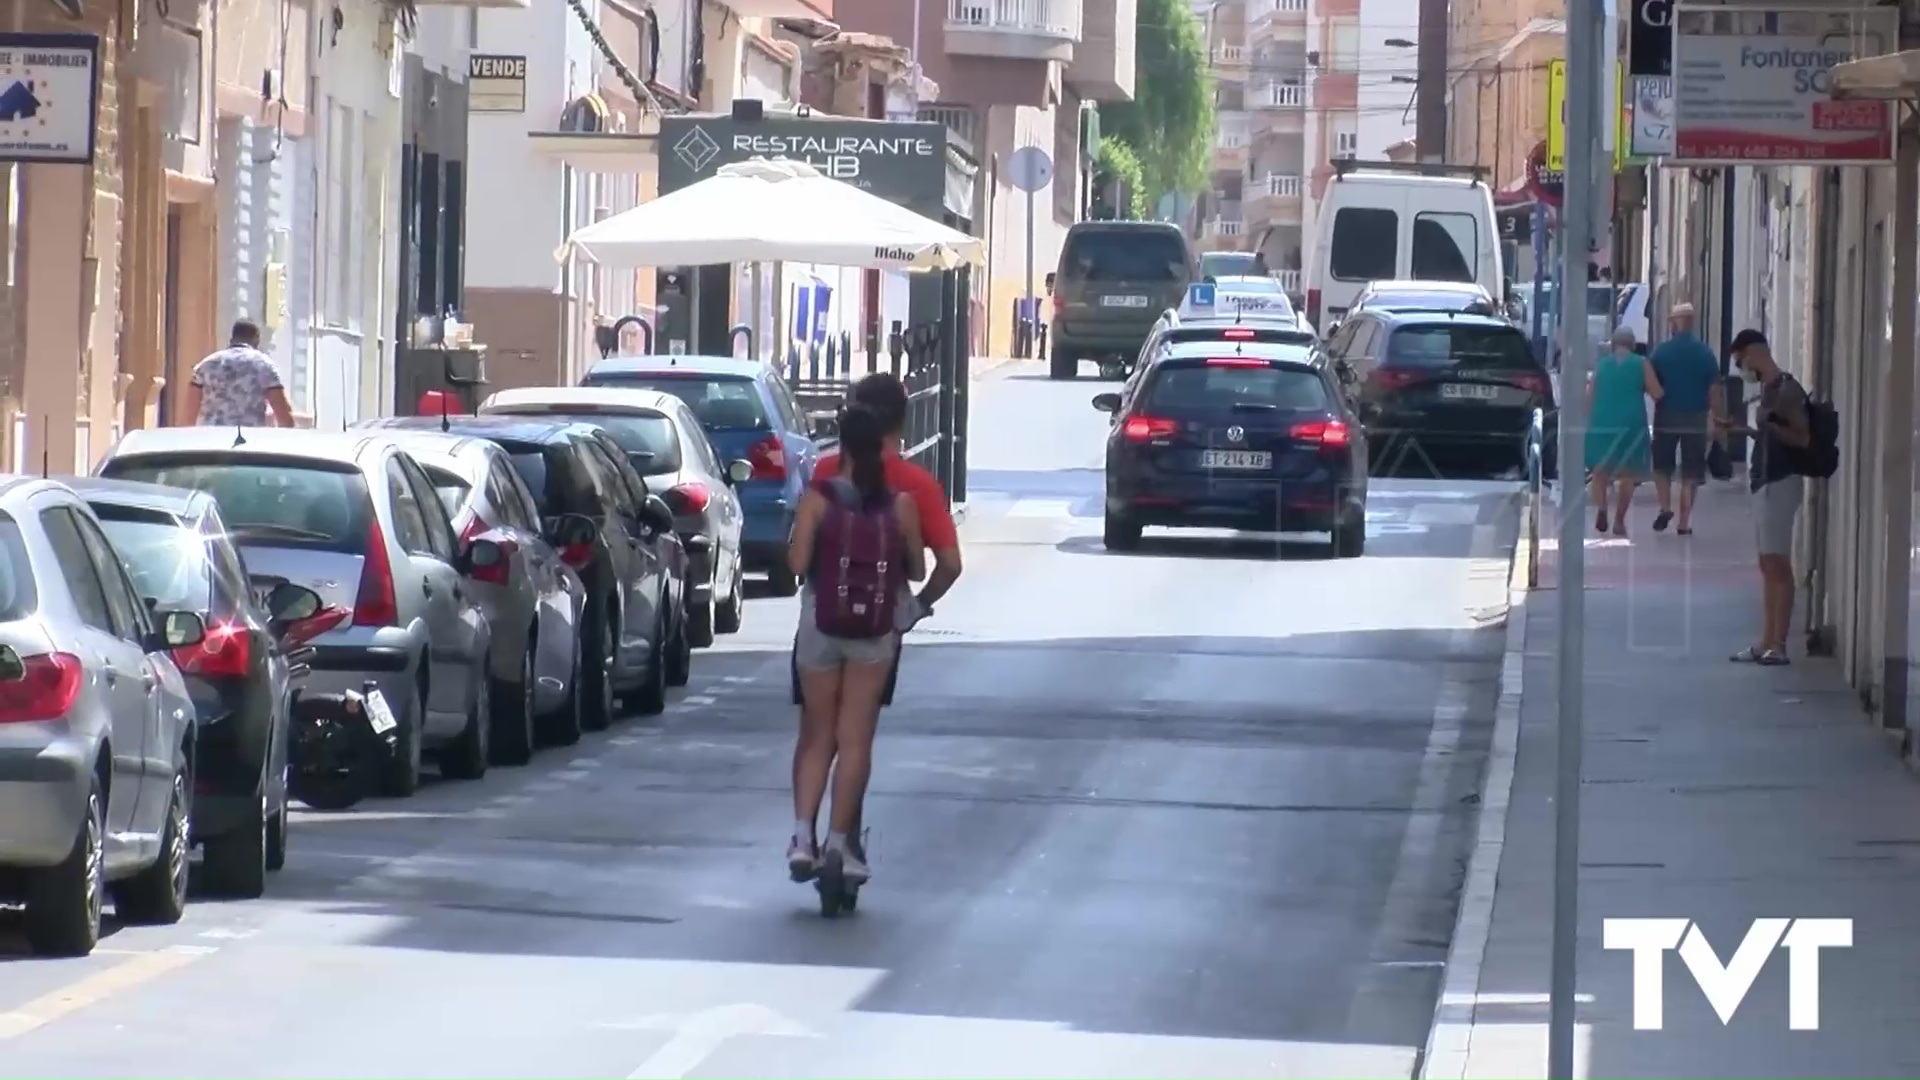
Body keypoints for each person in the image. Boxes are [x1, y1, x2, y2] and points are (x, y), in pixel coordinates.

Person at [784, 373, 965, 884]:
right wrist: (917, 608)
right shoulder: (912, 491)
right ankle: (842, 842)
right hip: (877, 626)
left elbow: (798, 564)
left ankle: (803, 838)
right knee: (856, 736)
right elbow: (932, 567)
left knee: (817, 734)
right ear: (898, 427)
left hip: (821, 619)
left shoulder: (821, 480)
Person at [1717, 329, 1810, 666]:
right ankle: (1766, 640)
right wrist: (1742, 431)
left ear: (1754, 353)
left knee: (1778, 564)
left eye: (1741, 360)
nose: (1742, 368)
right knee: (1766, 563)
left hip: (1781, 481)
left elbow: (1801, 437)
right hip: (1764, 480)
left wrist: (1771, 426)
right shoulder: (1769, 390)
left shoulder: (1786, 389)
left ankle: (1779, 644)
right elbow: (1769, 433)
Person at [1647, 302, 1723, 534]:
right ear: (1692, 323)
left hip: (1666, 416)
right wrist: (1716, 418)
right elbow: (1714, 391)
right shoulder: (1705, 353)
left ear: (1675, 324)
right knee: (1691, 471)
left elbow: (1651, 382)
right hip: (1696, 418)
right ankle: (1683, 522)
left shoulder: (1661, 352)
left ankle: (1664, 508)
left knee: (1662, 466)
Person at [1585, 325, 1663, 536]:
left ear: (1613, 345)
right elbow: (1657, 393)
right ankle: (1619, 521)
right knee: (1627, 475)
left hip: (1601, 422)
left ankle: (1602, 508)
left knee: (1599, 472)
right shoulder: (1641, 363)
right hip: (1631, 424)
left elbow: (1589, 399)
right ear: (1633, 345)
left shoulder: (1601, 366)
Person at [183, 320, 295, 427]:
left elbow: (189, 414)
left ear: (232, 338)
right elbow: (283, 415)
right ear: (256, 340)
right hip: (249, 440)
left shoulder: (206, 365)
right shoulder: (264, 366)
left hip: (213, 439)